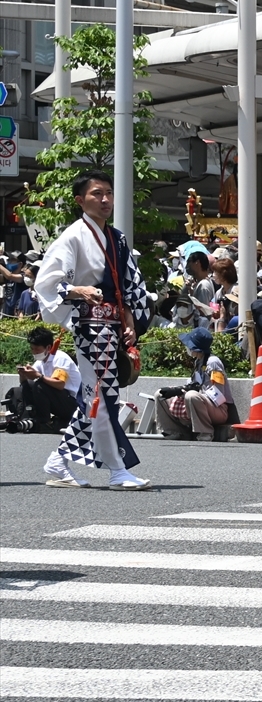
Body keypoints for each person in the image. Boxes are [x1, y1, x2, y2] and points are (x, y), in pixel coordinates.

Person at [34, 171, 151, 489]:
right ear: (80, 200)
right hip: (89, 324)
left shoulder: (117, 238)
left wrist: (130, 324)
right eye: (97, 194)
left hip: (111, 325)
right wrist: (77, 291)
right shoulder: (72, 238)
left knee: (99, 397)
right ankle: (117, 470)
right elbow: (47, 282)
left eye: (109, 193)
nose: (105, 200)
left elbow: (127, 287)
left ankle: (59, 461)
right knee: (102, 396)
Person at [154, 326, 234, 440]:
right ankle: (173, 431)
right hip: (200, 403)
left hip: (219, 409)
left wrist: (192, 393)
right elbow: (194, 384)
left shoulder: (213, 363)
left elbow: (218, 395)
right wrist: (179, 390)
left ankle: (205, 433)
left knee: (191, 396)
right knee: (160, 394)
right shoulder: (198, 362)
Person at [8, 326, 79, 432]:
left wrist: (38, 376)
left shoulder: (60, 358)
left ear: (48, 347)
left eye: (37, 349)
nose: (34, 352)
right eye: (32, 349)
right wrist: (23, 376)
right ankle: (29, 415)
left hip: (72, 403)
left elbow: (60, 384)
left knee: (40, 385)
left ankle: (44, 422)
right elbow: (29, 383)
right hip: (59, 400)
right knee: (28, 385)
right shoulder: (40, 362)